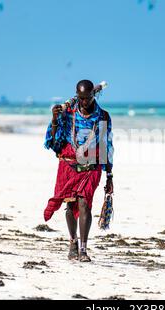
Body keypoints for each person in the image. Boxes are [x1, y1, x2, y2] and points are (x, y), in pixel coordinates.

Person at [43, 80, 114, 262]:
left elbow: (107, 146)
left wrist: (109, 176)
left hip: (92, 166)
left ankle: (83, 249)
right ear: (76, 95)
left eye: (87, 98)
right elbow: (55, 141)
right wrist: (54, 119)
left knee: (84, 203)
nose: (84, 102)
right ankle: (73, 242)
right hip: (69, 164)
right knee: (70, 203)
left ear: (93, 95)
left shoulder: (103, 117)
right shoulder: (68, 114)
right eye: (80, 98)